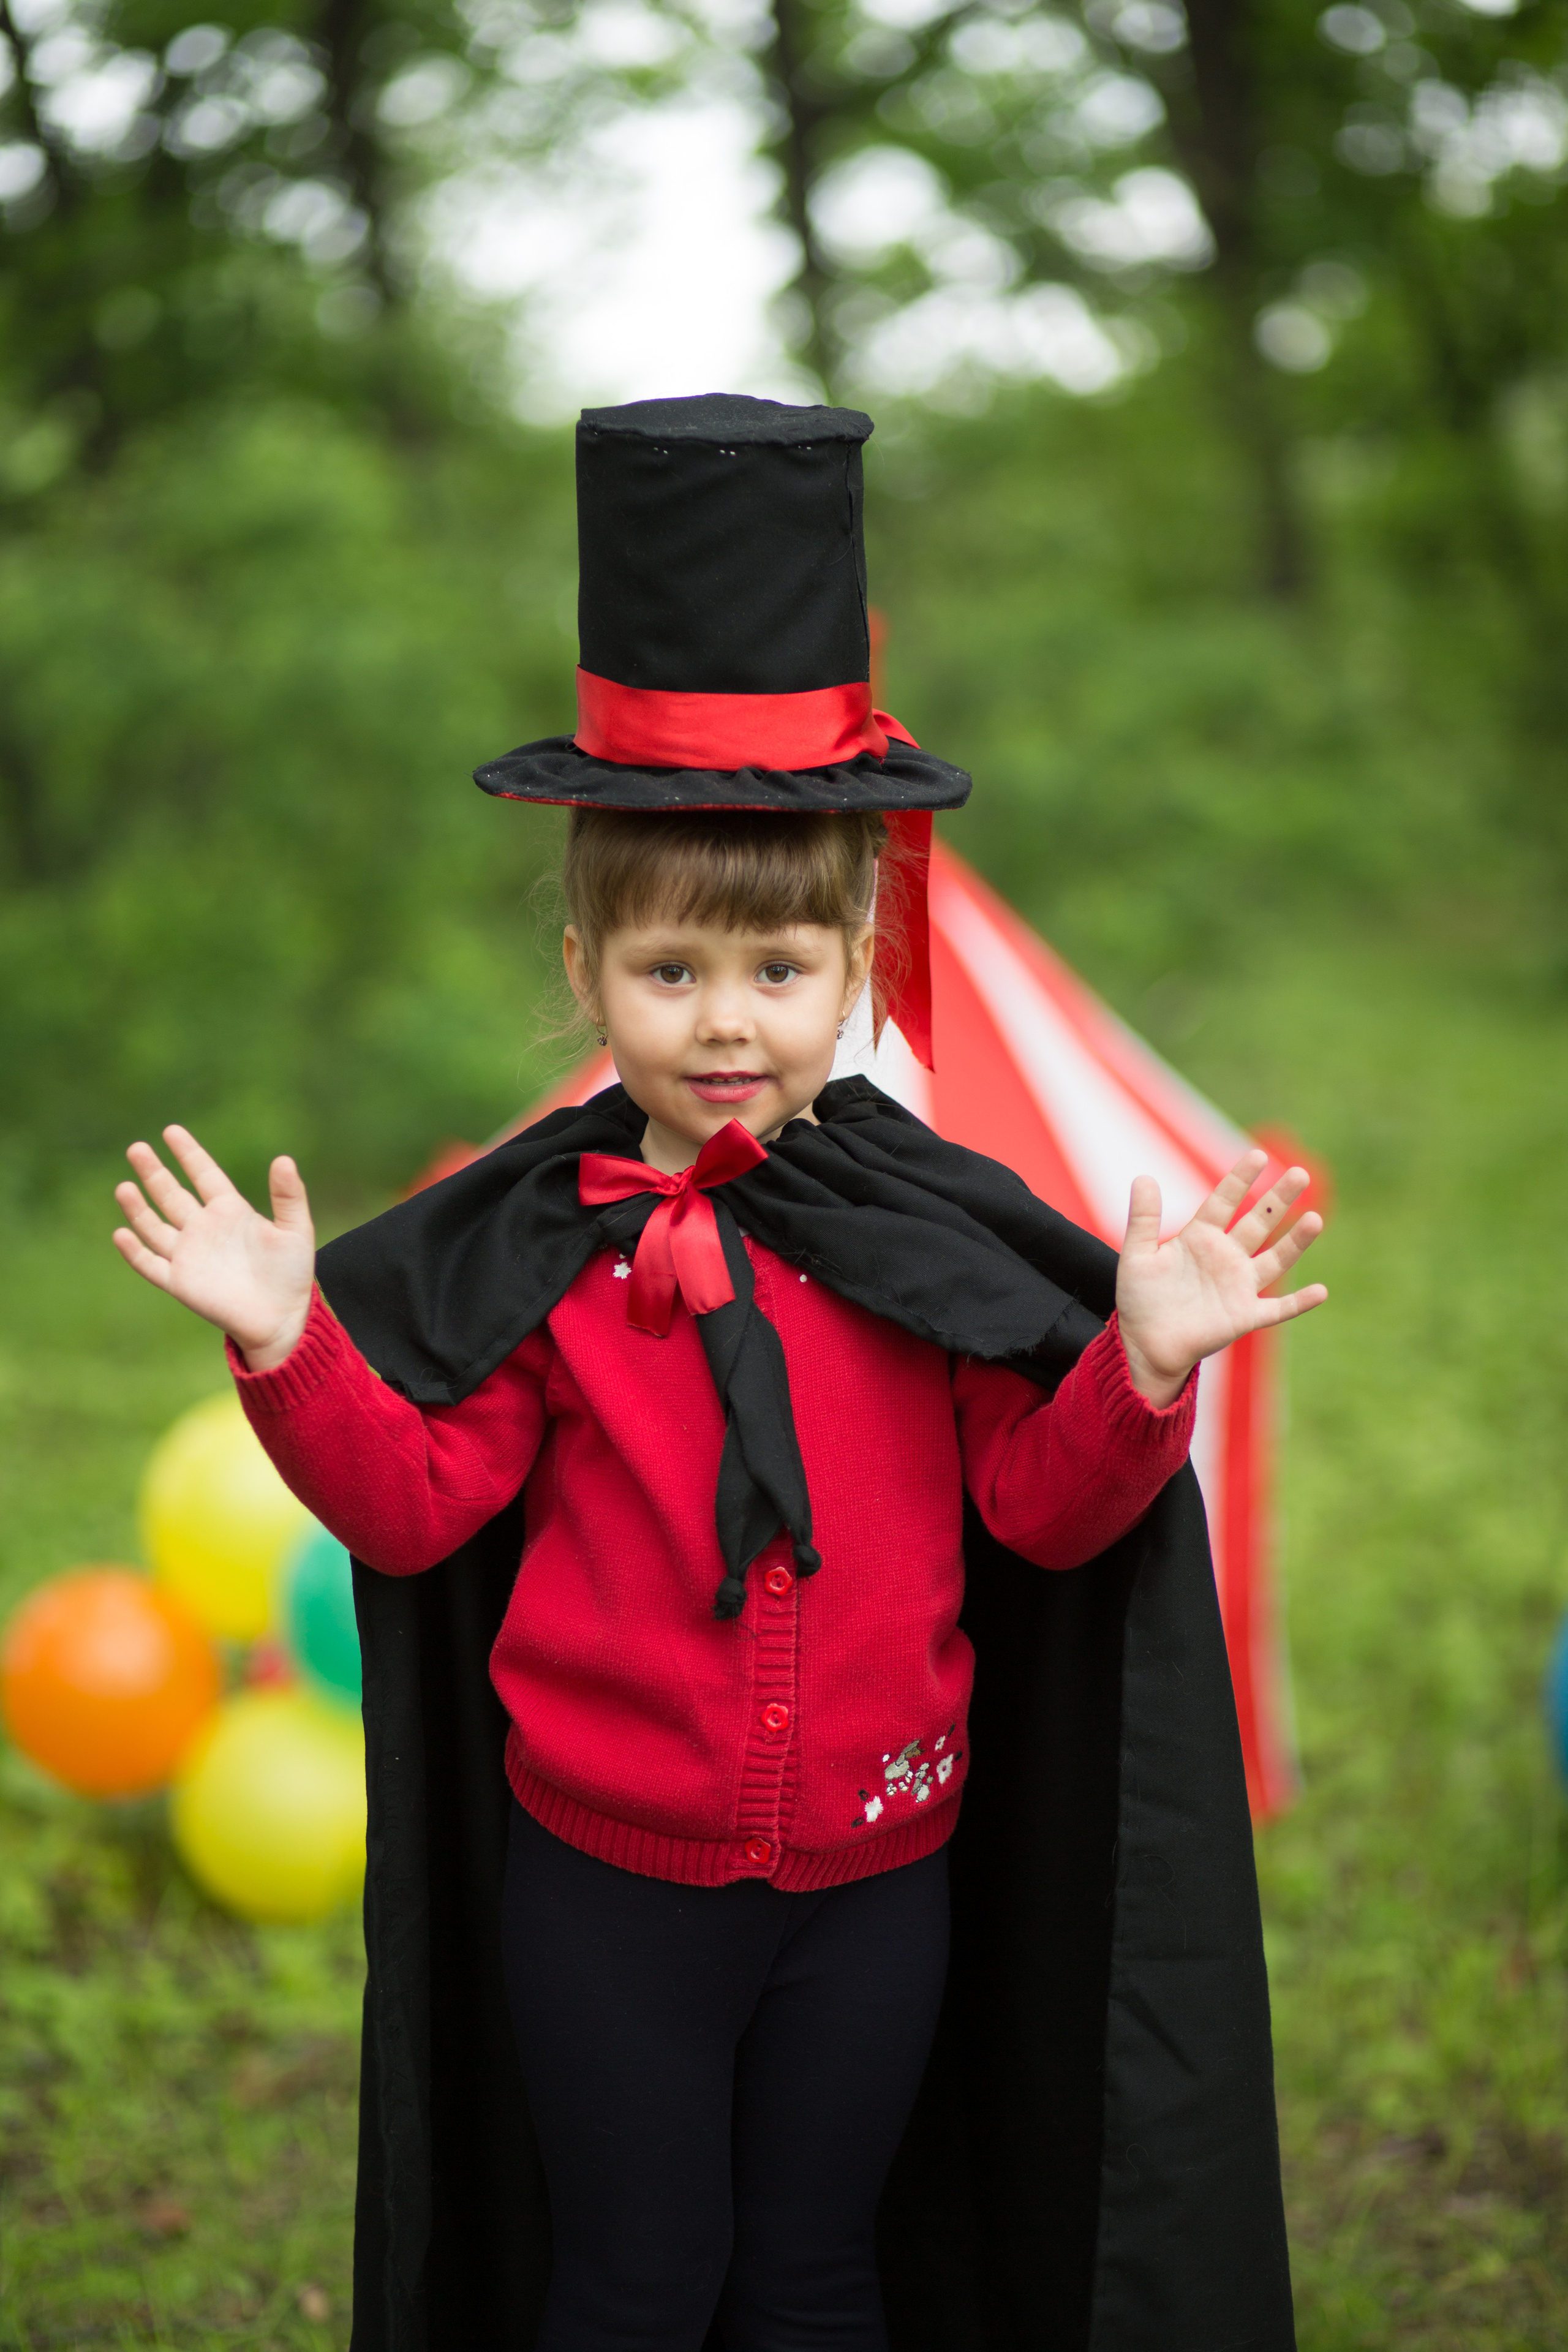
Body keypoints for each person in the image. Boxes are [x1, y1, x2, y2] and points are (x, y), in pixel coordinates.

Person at [111, 394, 1324, 2352]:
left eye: (778, 974)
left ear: (856, 964)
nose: (729, 1022)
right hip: (610, 1893)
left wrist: (1140, 1372)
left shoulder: (934, 1230)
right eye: (673, 974)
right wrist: (287, 1345)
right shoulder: (553, 1244)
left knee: (819, 2274)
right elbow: (419, 1509)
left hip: (881, 1884)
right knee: (636, 2278)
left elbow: (1037, 1512)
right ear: (587, 970)